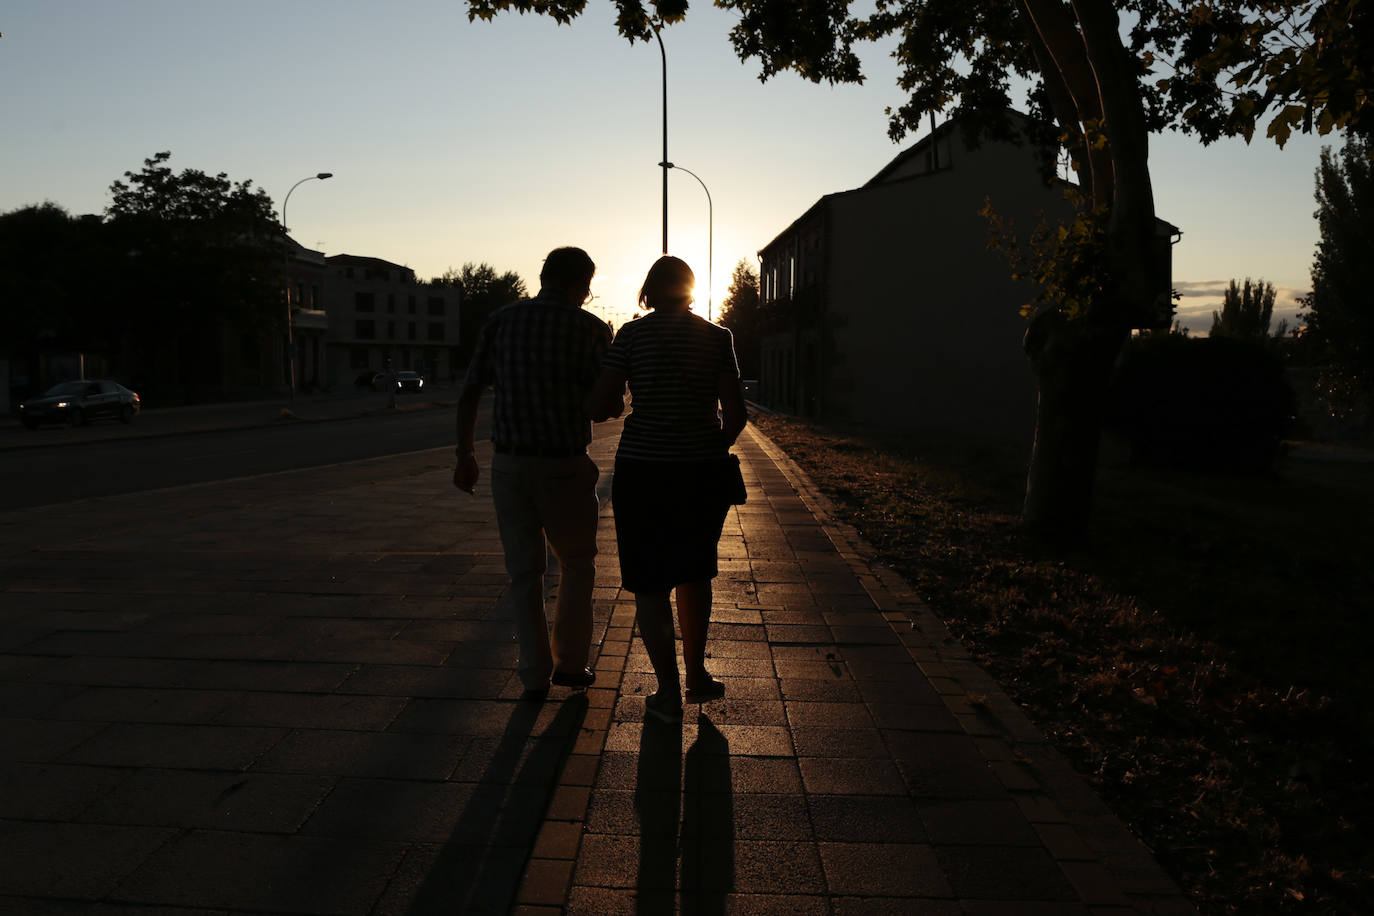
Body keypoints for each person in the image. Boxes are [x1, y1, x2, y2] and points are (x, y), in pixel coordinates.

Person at [586, 256, 747, 723]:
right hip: (701, 472)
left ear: (649, 292)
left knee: (648, 581)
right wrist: (709, 445)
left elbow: (601, 405)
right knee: (694, 573)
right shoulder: (718, 338)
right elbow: (735, 413)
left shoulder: (631, 336)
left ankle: (668, 694)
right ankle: (697, 676)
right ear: (691, 290)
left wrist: (608, 401)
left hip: (643, 471)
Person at [454, 246, 616, 698]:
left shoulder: (500, 321)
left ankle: (532, 672)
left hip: (509, 465)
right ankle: (570, 664)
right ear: (573, 282)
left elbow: (470, 392)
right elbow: (603, 404)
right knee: (578, 564)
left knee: (524, 572)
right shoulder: (589, 329)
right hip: (563, 464)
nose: (587, 295)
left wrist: (465, 452)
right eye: (586, 286)